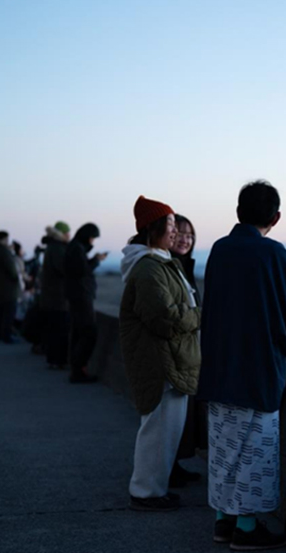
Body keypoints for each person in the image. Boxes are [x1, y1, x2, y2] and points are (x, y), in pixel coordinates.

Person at [196, 180, 286, 551]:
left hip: (219, 362)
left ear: (238, 212)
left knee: (224, 445)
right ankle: (246, 527)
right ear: (276, 217)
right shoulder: (274, 254)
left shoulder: (220, 249)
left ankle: (223, 520)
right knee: (254, 448)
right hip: (256, 367)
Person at [119, 196, 201, 512]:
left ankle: (154, 489)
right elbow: (165, 318)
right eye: (169, 225)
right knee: (158, 432)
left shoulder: (159, 262)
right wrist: (200, 315)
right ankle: (146, 493)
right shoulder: (149, 267)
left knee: (165, 432)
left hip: (168, 359)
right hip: (161, 362)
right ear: (152, 229)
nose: (174, 231)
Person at [168, 214, 204, 488]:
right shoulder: (168, 267)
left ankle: (174, 465)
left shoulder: (184, 267)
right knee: (171, 417)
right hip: (174, 353)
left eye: (190, 235)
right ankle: (168, 469)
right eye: (179, 233)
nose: (185, 239)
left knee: (183, 415)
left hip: (188, 351)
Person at [64, 223, 107, 383]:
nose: (92, 241)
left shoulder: (74, 247)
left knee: (79, 332)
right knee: (89, 332)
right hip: (81, 296)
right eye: (92, 238)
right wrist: (96, 259)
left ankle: (77, 369)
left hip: (77, 295)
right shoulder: (76, 249)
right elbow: (83, 270)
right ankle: (79, 369)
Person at [41, 222, 71, 369]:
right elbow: (63, 269)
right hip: (58, 297)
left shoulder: (52, 247)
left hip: (50, 296)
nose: (70, 235)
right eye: (68, 232)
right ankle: (58, 361)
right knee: (60, 330)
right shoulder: (58, 248)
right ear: (63, 234)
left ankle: (52, 360)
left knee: (53, 330)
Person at [0, 231, 20, 344]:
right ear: (2, 239)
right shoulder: (3, 252)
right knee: (9, 313)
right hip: (8, 288)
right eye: (7, 240)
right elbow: (12, 270)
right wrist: (17, 278)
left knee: (1, 313)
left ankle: (0, 335)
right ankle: (7, 336)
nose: (8, 242)